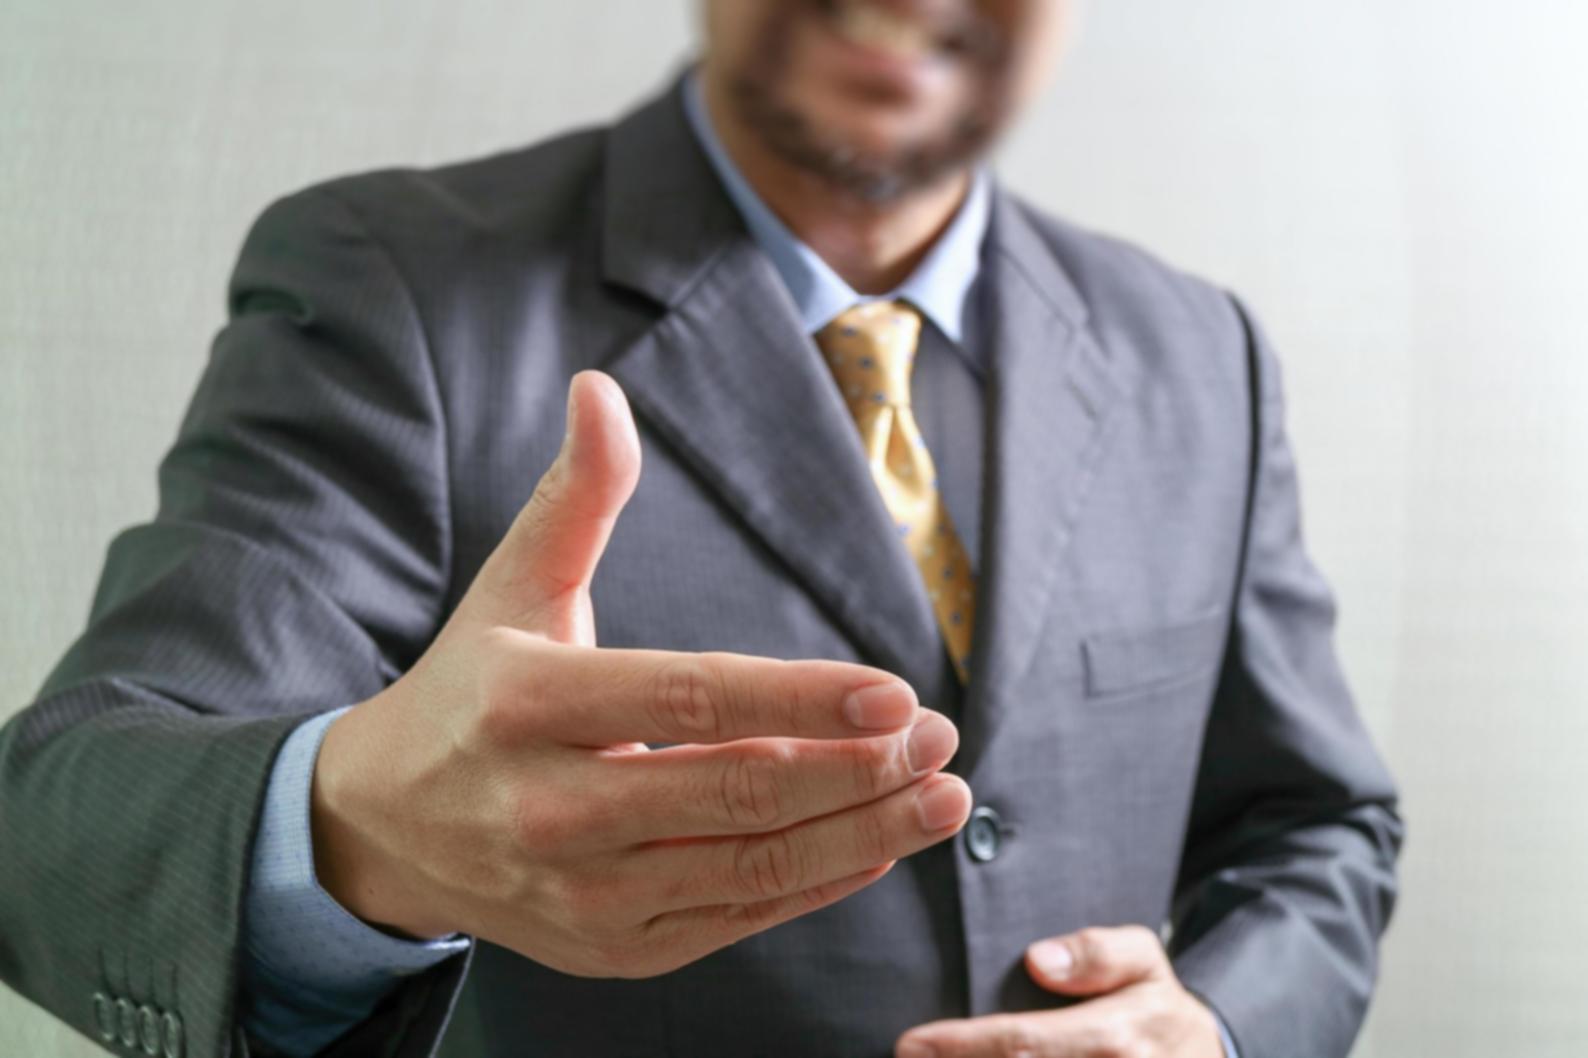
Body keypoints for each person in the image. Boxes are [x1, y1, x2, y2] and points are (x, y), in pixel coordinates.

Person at [0, 1, 1402, 1055]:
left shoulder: (1201, 351)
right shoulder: (397, 290)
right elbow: (55, 826)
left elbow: (1318, 820)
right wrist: (359, 836)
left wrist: (1220, 1025)